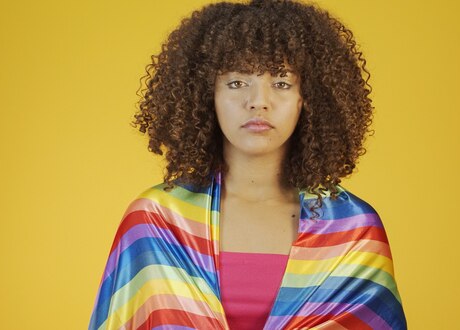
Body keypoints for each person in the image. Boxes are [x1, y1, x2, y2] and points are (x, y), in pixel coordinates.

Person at [88, 0, 407, 329]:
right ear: (206, 94)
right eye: (237, 82)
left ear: (307, 98)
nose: (258, 101)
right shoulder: (156, 220)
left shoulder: (353, 229)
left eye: (281, 83)